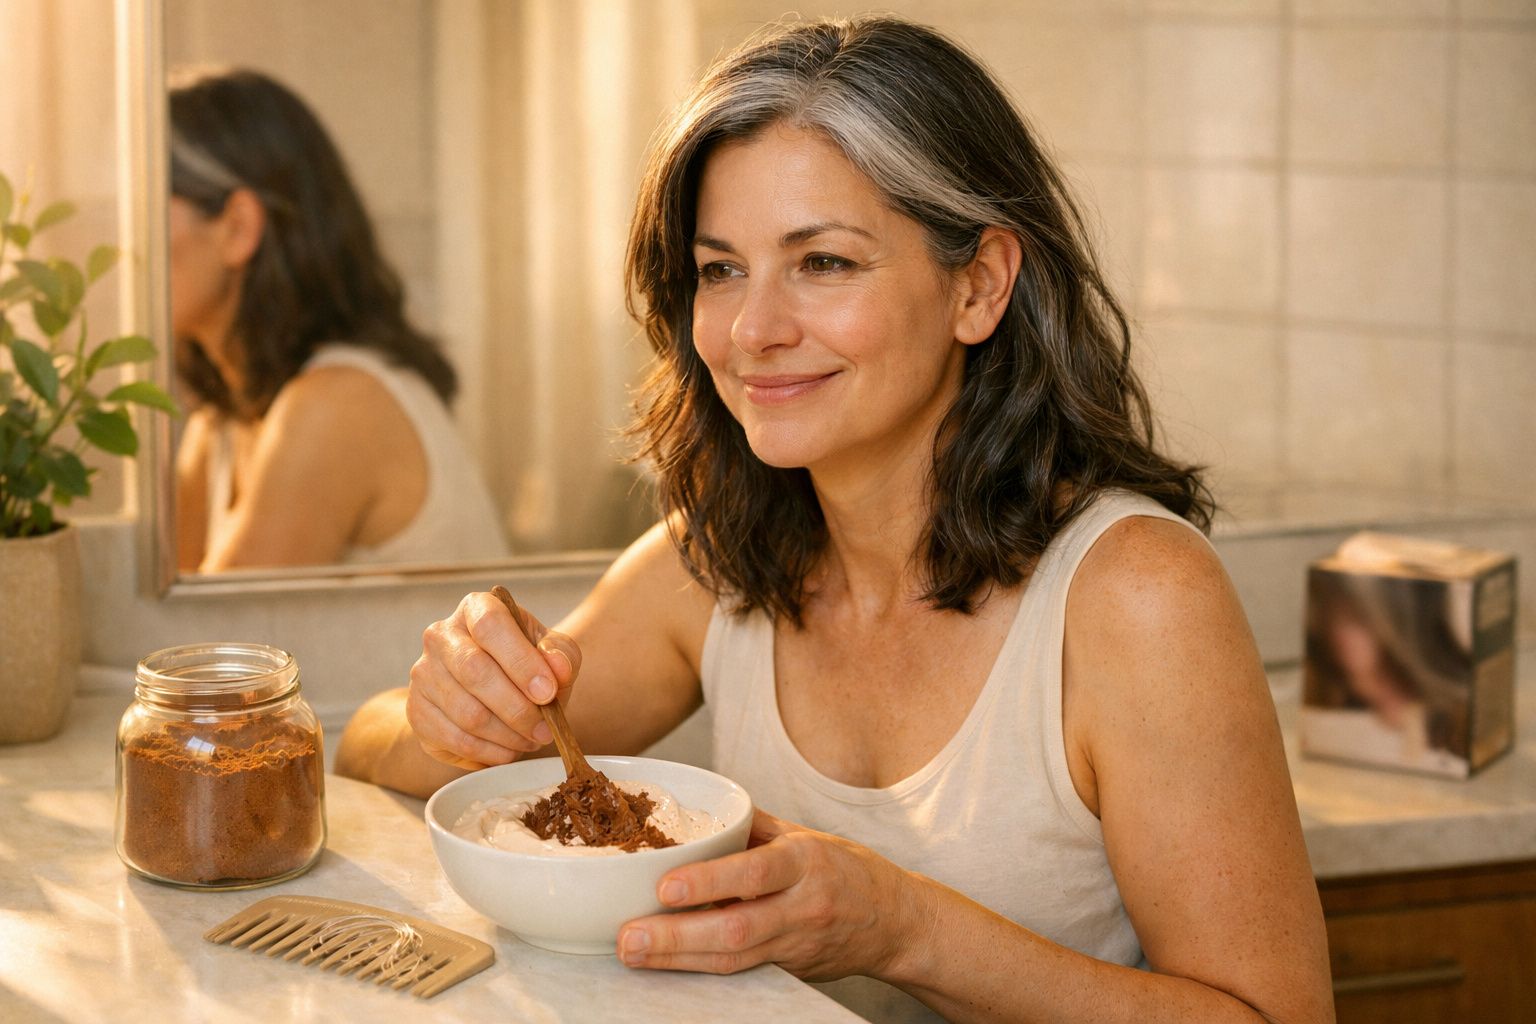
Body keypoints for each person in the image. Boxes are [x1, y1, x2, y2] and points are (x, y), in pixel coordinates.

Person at [337, 17, 1333, 1023]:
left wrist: (905, 928)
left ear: (979, 285)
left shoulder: (1136, 596)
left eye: (823, 263)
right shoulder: (716, 560)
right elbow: (371, 747)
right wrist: (452, 713)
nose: (753, 330)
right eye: (721, 270)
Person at [168, 67, 508, 571]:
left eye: (148, 205)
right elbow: (161, 627)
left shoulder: (337, 405)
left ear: (237, 228)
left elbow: (221, 643)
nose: (125, 242)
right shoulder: (218, 426)